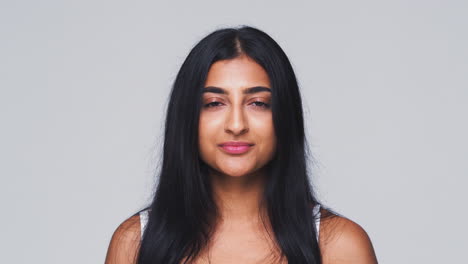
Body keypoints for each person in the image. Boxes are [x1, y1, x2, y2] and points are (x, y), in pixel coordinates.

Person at [104, 26, 378, 264]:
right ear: (187, 117)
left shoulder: (340, 245)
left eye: (258, 103)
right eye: (214, 103)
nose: (236, 125)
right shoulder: (134, 244)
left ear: (285, 116)